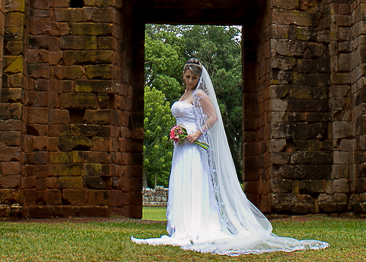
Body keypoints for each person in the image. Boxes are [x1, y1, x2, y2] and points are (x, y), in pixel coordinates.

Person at [132, 58, 329, 256]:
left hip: (193, 145)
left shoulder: (200, 95)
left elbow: (213, 117)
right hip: (181, 146)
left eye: (193, 78)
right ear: (183, 76)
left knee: (193, 182)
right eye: (187, 77)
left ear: (199, 78)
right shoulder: (185, 95)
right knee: (180, 182)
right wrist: (176, 132)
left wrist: (197, 133)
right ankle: (180, 224)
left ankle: (197, 224)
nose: (190, 81)